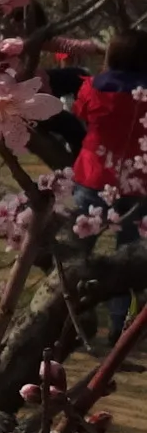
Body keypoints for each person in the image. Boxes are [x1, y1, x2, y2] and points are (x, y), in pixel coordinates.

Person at [74, 29, 147, 340]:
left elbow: (80, 112)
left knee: (76, 254)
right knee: (128, 261)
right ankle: (122, 327)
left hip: (94, 176)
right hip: (139, 183)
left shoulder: (93, 87)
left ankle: (69, 322)